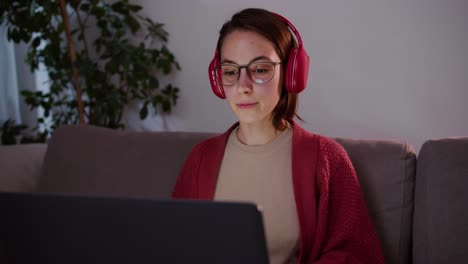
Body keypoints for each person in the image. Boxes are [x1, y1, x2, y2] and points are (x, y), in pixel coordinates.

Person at [172, 8, 385, 264]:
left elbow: (356, 255)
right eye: (230, 71)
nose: (243, 87)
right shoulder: (200, 158)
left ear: (292, 74)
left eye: (260, 69)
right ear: (218, 80)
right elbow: (175, 245)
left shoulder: (327, 158)